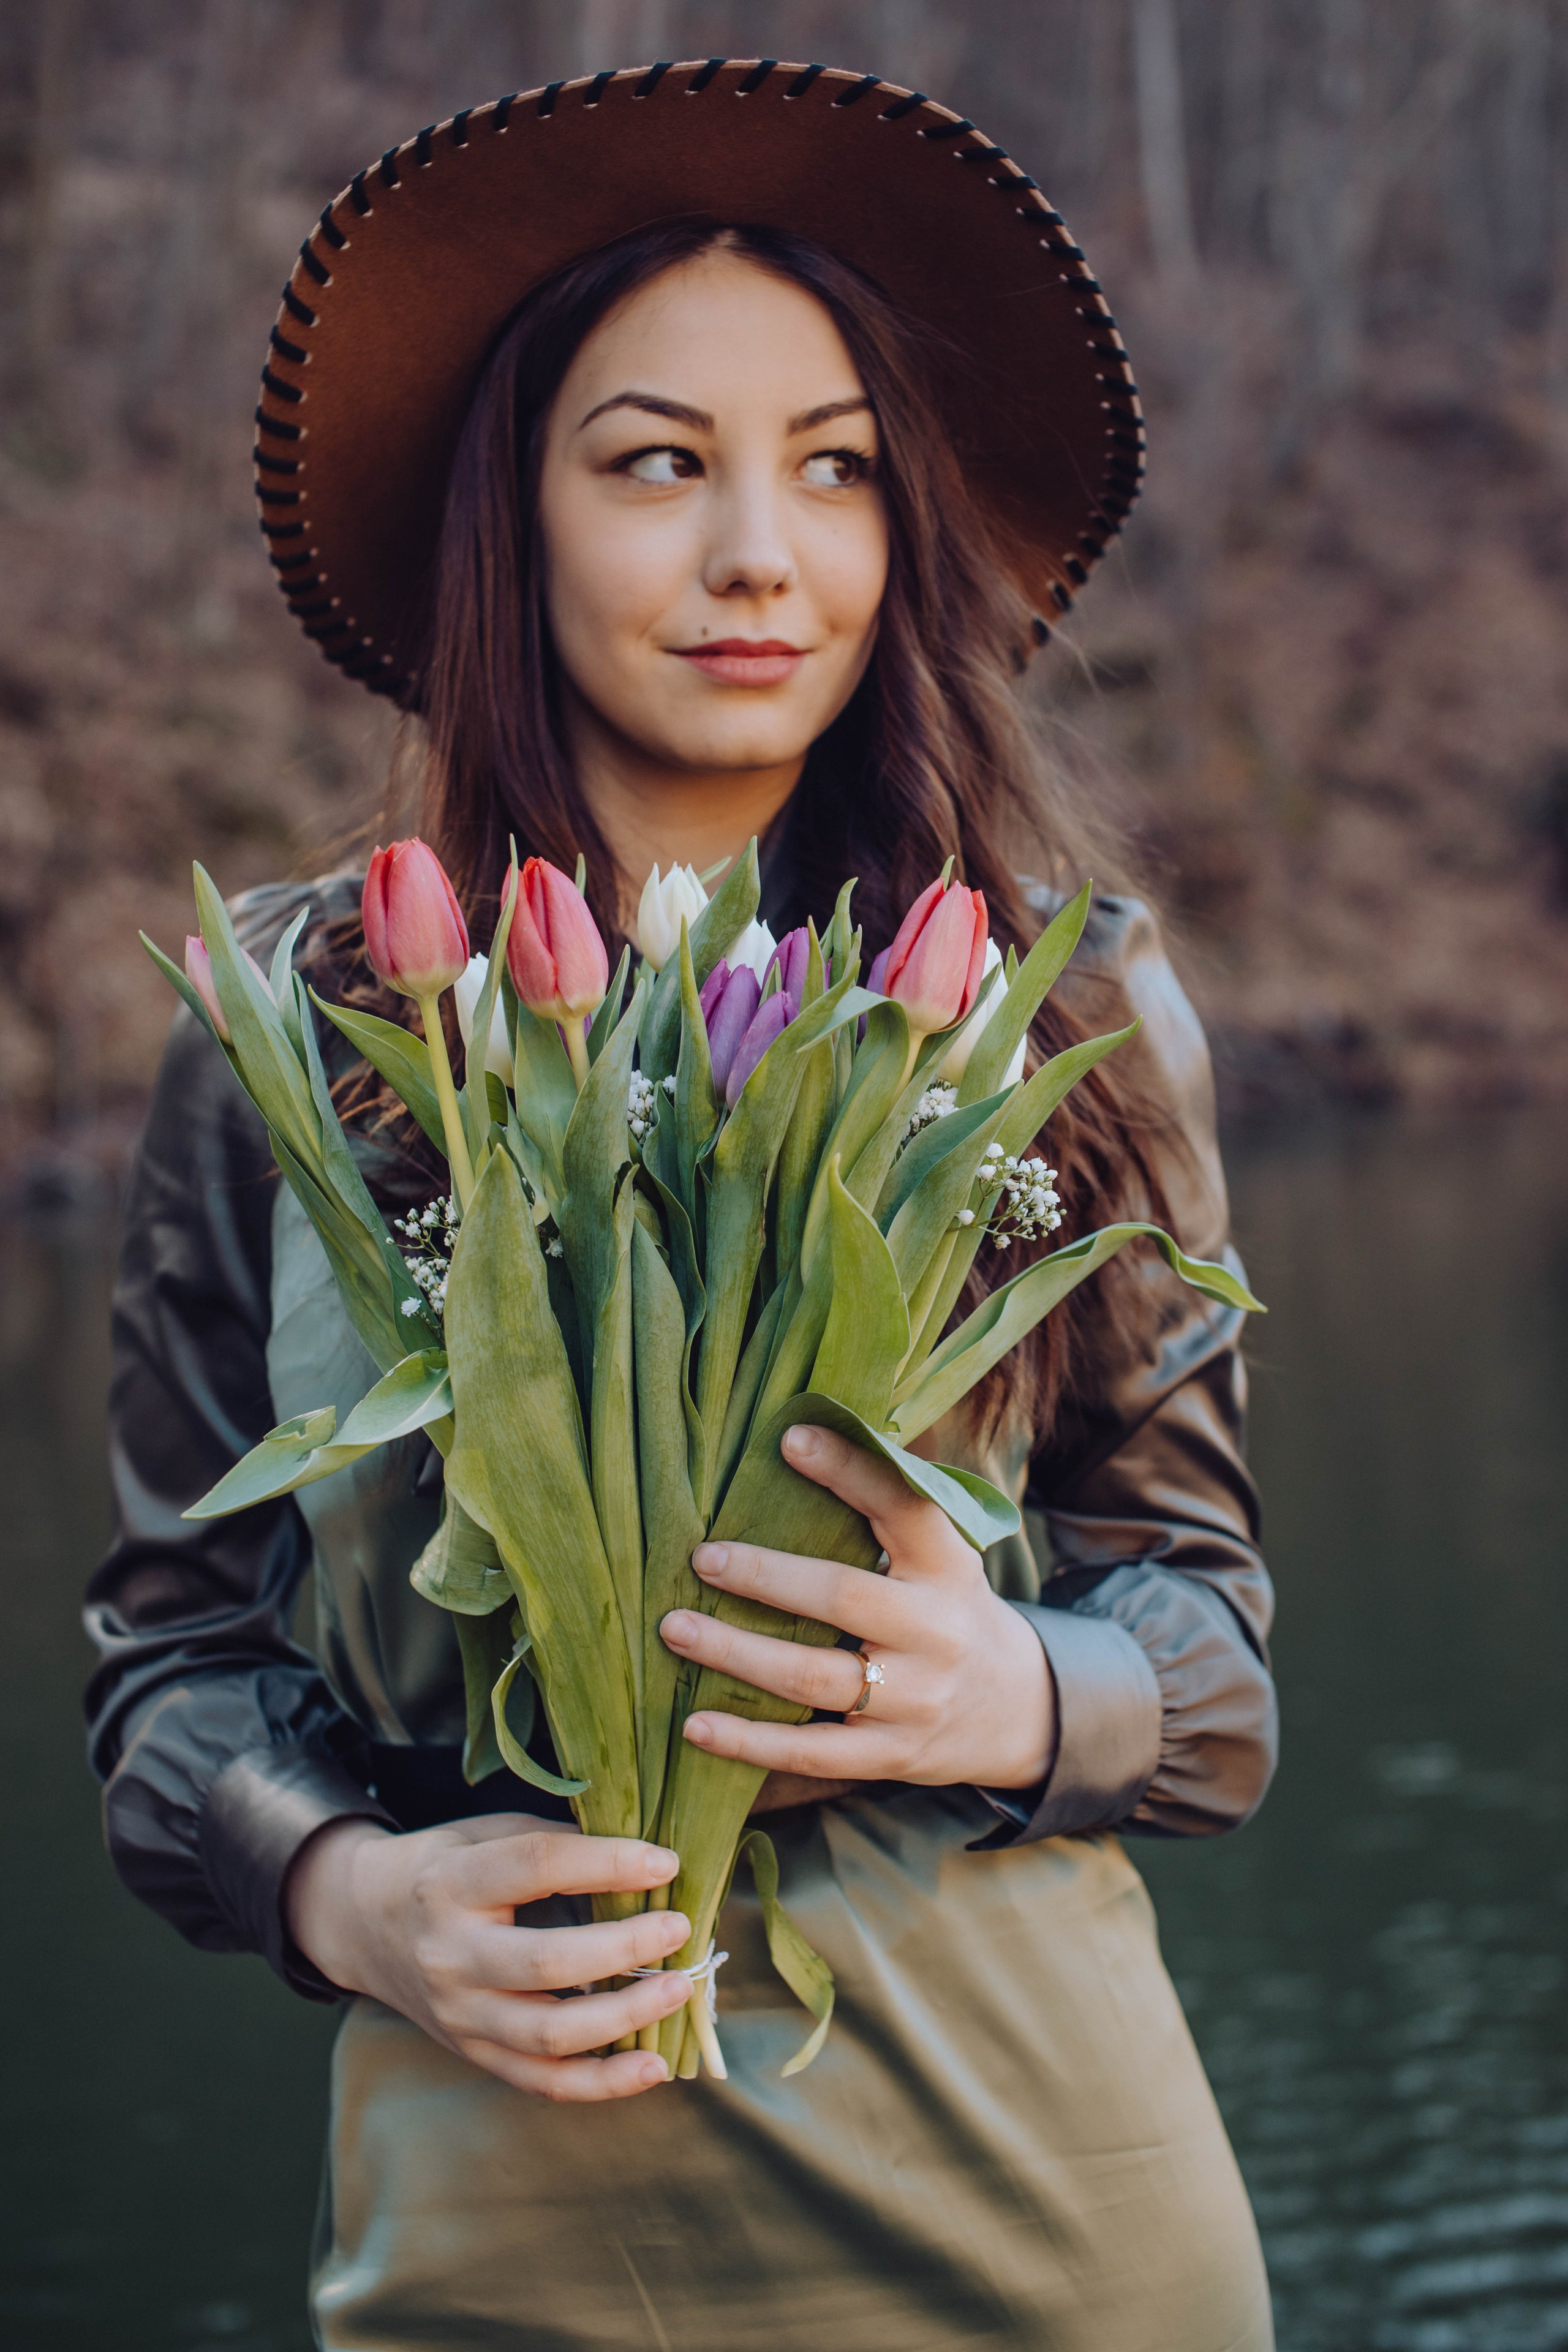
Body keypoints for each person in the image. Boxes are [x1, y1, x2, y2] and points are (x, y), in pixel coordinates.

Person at [85, 59, 1278, 2352]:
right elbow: (170, 1675)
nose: (765, 552)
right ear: (505, 517)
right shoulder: (306, 1017)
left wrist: (1013, 1680)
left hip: (1043, 2213)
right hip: (507, 2207)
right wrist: (350, 1893)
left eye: (835, 468)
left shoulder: (1067, 999)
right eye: (659, 462)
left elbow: (1213, 1672)